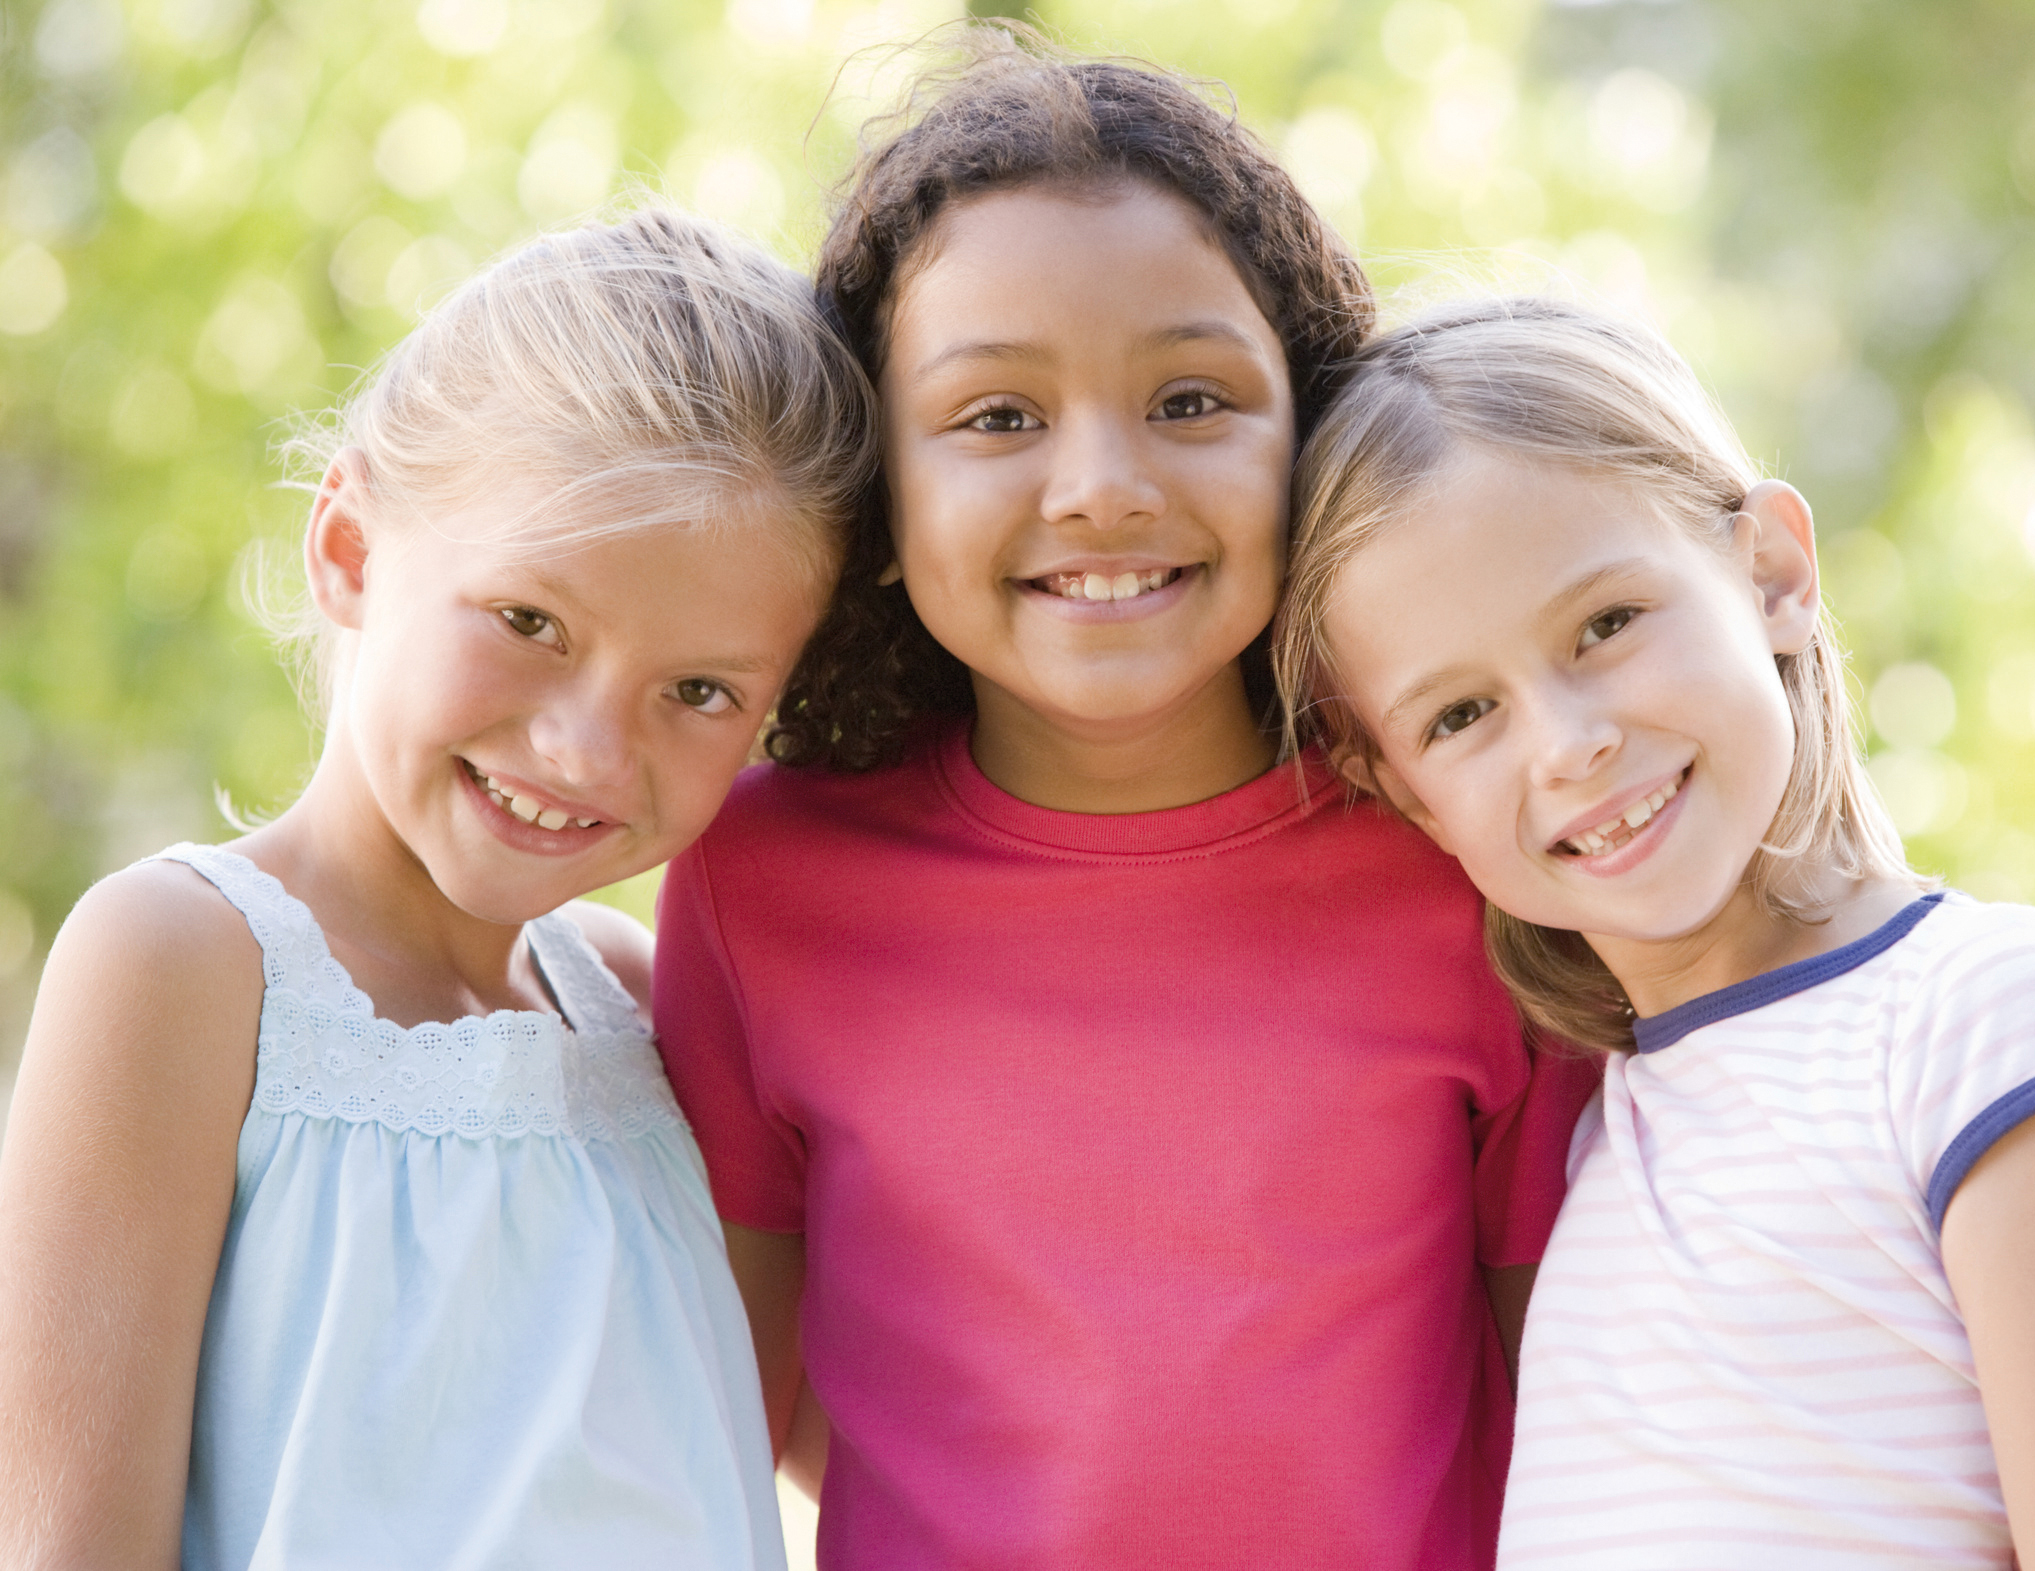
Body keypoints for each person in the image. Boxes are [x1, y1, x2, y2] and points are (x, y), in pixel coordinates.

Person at [652, 33, 1596, 1570]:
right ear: (880, 494)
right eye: (998, 417)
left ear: (1310, 435)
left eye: (1191, 398)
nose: (1101, 484)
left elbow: (1573, 1411)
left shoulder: (1461, 846)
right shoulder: (760, 878)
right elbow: (720, 1422)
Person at [1274, 295, 2035, 1568]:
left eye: (1604, 625)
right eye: (1458, 715)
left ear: (1770, 570)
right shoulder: (1585, 1133)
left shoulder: (1979, 1012)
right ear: (1402, 793)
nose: (1568, 743)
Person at [0, 206, 874, 1569]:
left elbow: (885, 1439)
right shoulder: (184, 964)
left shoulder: (647, 1007)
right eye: (530, 622)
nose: (586, 748)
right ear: (348, 549)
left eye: (700, 690)